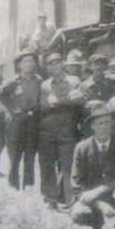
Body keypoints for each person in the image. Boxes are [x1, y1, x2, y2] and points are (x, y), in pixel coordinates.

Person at [70, 103, 115, 229]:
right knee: (78, 213)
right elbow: (76, 184)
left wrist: (103, 189)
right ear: (92, 126)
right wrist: (99, 203)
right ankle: (96, 224)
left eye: (107, 122)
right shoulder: (82, 147)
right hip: (92, 197)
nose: (104, 127)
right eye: (99, 123)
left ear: (112, 123)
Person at [38, 51, 84, 207]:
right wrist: (67, 100)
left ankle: (70, 201)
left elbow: (79, 100)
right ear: (48, 68)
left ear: (63, 63)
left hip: (67, 129)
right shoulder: (45, 85)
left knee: (68, 165)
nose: (54, 66)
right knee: (48, 165)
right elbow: (44, 106)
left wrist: (58, 102)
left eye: (57, 62)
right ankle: (51, 200)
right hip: (47, 130)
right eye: (50, 64)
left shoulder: (74, 80)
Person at [0, 50, 42, 190]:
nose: (28, 64)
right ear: (19, 65)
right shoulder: (12, 82)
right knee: (14, 156)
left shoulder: (38, 80)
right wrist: (8, 111)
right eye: (25, 61)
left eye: (31, 61)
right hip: (16, 122)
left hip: (33, 121)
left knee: (30, 155)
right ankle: (13, 186)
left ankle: (28, 186)